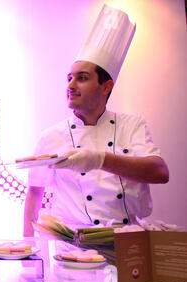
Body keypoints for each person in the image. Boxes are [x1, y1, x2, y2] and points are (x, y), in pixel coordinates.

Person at [20, 5, 169, 236]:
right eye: (69, 78)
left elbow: (160, 173)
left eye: (82, 78)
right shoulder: (51, 136)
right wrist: (28, 249)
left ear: (105, 86)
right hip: (72, 244)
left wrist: (99, 159)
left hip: (127, 240)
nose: (70, 86)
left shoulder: (132, 126)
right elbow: (35, 194)